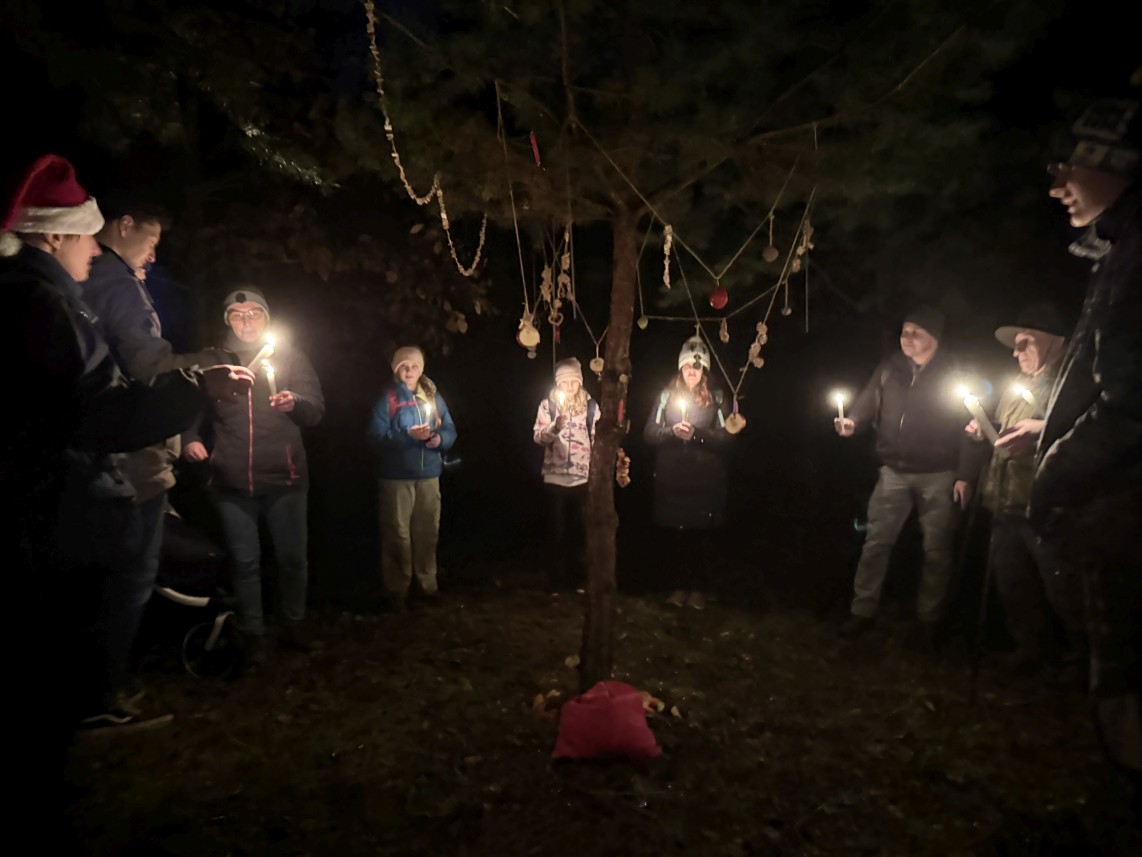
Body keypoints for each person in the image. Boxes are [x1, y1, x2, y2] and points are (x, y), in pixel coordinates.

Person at [1, 154, 253, 746]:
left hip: (57, 486)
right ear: (56, 235)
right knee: (110, 584)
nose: (94, 251)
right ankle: (89, 705)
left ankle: (85, 701)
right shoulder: (47, 304)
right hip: (63, 488)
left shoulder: (38, 296)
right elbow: (102, 410)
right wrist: (200, 385)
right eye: (86, 236)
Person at [1021, 94, 1141, 781]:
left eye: (1070, 165)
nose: (1056, 184)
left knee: (1126, 670)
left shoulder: (1137, 256)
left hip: (1123, 508)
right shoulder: (1119, 251)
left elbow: (1132, 399)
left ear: (1121, 163)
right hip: (1114, 499)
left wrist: (1057, 467)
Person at [80, 196, 228, 702]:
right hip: (132, 454)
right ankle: (103, 694)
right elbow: (151, 369)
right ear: (125, 225)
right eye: (152, 239)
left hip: (107, 450)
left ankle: (99, 686)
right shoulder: (116, 283)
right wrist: (210, 366)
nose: (154, 254)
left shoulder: (90, 279)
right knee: (130, 575)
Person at [183, 286, 325, 656]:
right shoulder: (214, 359)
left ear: (266, 317)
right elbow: (192, 406)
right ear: (227, 320)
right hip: (230, 479)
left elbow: (315, 409)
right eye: (237, 315)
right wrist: (189, 438)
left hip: (284, 475)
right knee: (244, 561)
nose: (246, 321)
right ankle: (252, 631)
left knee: (292, 559)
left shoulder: (290, 356)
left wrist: (296, 402)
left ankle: (293, 623)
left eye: (254, 313)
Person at [835, 306, 985, 645]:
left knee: (936, 550)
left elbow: (972, 427)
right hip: (893, 472)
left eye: (916, 332)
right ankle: (862, 610)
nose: (906, 337)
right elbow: (868, 400)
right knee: (876, 543)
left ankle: (929, 620)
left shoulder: (955, 373)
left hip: (939, 474)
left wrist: (965, 475)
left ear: (934, 337)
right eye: (904, 331)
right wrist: (853, 422)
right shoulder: (891, 367)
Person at [967, 303, 1082, 675]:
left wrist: (1044, 429)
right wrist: (983, 428)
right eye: (1015, 346)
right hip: (1005, 498)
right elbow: (1007, 428)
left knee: (1063, 586)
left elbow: (1085, 428)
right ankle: (1031, 651)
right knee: (1012, 581)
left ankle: (1086, 662)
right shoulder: (1017, 386)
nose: (1016, 353)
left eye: (1025, 343)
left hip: (1045, 502)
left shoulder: (1073, 384)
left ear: (1053, 342)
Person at [643, 335, 734, 610]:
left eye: (697, 366)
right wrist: (671, 432)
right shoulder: (666, 397)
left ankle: (700, 589)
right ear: (680, 368)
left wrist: (697, 435)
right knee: (677, 537)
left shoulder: (717, 398)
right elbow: (649, 433)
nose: (691, 371)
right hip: (673, 478)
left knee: (701, 537)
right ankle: (679, 587)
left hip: (705, 479)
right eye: (686, 366)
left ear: (704, 370)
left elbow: (726, 438)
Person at [367, 345, 458, 611]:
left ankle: (427, 586)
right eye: (403, 366)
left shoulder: (432, 396)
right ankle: (397, 590)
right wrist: (407, 436)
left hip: (429, 474)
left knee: (427, 531)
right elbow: (375, 437)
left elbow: (449, 428)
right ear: (396, 370)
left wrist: (440, 439)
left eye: (414, 366)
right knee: (398, 534)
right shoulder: (388, 398)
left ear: (421, 369)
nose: (409, 371)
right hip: (396, 477)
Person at [532, 357, 600, 592]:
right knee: (556, 532)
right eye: (564, 382)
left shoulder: (591, 407)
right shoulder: (548, 405)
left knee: (578, 532)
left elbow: (597, 439)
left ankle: (577, 579)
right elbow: (538, 437)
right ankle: (555, 581)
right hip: (555, 478)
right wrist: (554, 427)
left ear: (580, 382)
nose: (569, 386)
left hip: (582, 479)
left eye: (574, 381)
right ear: (557, 383)